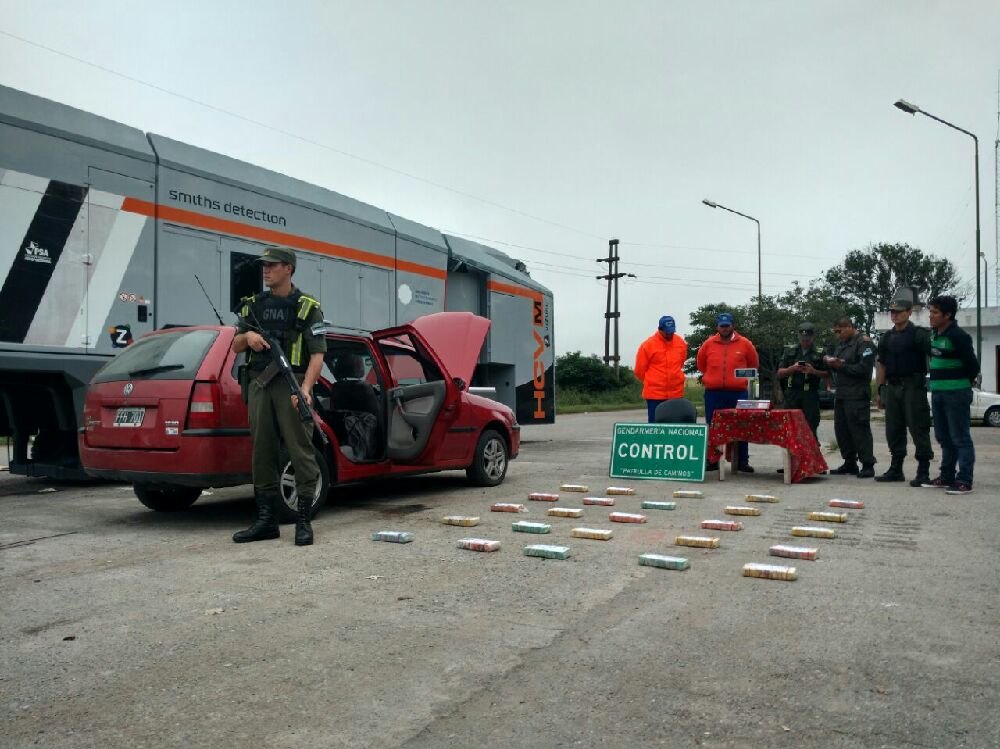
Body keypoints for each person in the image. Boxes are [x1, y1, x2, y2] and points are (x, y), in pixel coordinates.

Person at [232, 246, 327, 545]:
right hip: (260, 384)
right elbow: (235, 346)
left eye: (272, 265)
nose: (266, 270)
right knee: (262, 451)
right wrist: (247, 337)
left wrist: (306, 390)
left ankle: (303, 520)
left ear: (289, 268)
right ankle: (266, 521)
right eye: (264, 265)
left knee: (300, 450)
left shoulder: (308, 306)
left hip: (292, 384)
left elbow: (318, 355)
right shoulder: (252, 306)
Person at [922, 295, 979, 495]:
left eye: (935, 312)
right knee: (943, 437)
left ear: (948, 315)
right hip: (937, 393)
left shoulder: (959, 336)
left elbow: (973, 366)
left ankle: (964, 480)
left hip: (956, 393)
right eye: (930, 311)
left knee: (960, 437)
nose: (931, 316)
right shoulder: (934, 334)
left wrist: (962, 384)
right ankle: (947, 476)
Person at [874, 294, 933, 486]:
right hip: (893, 386)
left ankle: (923, 470)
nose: (895, 315)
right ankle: (895, 469)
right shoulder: (886, 337)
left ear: (908, 313)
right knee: (894, 429)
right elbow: (881, 364)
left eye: (899, 312)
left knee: (918, 427)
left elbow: (933, 357)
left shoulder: (919, 334)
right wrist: (880, 390)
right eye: (892, 312)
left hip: (913, 386)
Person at [697, 312, 759, 472]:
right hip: (714, 393)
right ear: (717, 327)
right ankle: (713, 460)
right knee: (713, 426)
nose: (725, 329)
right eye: (722, 326)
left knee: (742, 426)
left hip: (738, 393)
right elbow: (701, 364)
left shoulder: (745, 343)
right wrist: (714, 377)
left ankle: (742, 461)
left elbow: (753, 364)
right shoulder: (708, 344)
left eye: (727, 325)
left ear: (733, 326)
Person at [823, 317, 876, 478]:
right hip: (842, 393)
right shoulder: (842, 344)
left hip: (857, 394)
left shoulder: (864, 343)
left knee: (859, 429)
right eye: (836, 332)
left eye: (840, 331)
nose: (838, 335)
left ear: (849, 326)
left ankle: (867, 464)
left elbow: (864, 369)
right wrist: (829, 362)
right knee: (842, 429)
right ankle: (849, 462)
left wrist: (842, 366)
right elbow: (838, 365)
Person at [776, 322, 826, 442]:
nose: (805, 341)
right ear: (799, 336)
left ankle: (811, 458)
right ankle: (793, 458)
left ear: (813, 336)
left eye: (808, 338)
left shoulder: (820, 352)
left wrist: (813, 371)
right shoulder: (789, 351)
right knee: (790, 428)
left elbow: (827, 374)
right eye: (803, 338)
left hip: (810, 395)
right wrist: (792, 368)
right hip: (792, 394)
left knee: (810, 428)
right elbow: (779, 373)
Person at [635, 315, 688, 423]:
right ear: (660, 329)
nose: (670, 334)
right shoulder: (647, 345)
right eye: (667, 331)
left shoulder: (680, 343)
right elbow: (639, 371)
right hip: (655, 395)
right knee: (656, 427)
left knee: (675, 425)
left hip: (676, 394)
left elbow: (680, 363)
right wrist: (652, 382)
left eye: (672, 331)